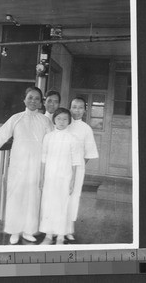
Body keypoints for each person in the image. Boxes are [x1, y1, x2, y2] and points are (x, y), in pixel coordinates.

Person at [0, 87, 52, 245]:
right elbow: (1, 134)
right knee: (16, 195)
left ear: (41, 102)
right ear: (24, 100)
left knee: (33, 196)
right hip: (18, 164)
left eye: (36, 98)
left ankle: (28, 231)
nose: (33, 101)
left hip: (37, 164)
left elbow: (51, 143)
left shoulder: (45, 120)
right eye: (30, 97)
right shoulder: (16, 118)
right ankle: (15, 231)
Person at [39, 108, 81, 245]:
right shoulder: (48, 137)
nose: (61, 122)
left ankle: (61, 236)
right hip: (50, 176)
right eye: (58, 119)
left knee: (63, 205)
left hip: (65, 176)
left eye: (64, 119)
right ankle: (49, 235)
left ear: (69, 121)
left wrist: (73, 180)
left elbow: (75, 161)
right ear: (54, 120)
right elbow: (43, 158)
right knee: (49, 204)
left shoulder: (73, 138)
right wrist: (42, 177)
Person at [66, 97, 99, 241]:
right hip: (60, 167)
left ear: (84, 110)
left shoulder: (86, 129)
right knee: (59, 197)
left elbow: (89, 152)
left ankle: (68, 229)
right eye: (74, 107)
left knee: (73, 197)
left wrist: (78, 166)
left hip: (77, 168)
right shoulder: (63, 123)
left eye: (80, 107)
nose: (77, 110)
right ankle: (55, 228)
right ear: (70, 108)